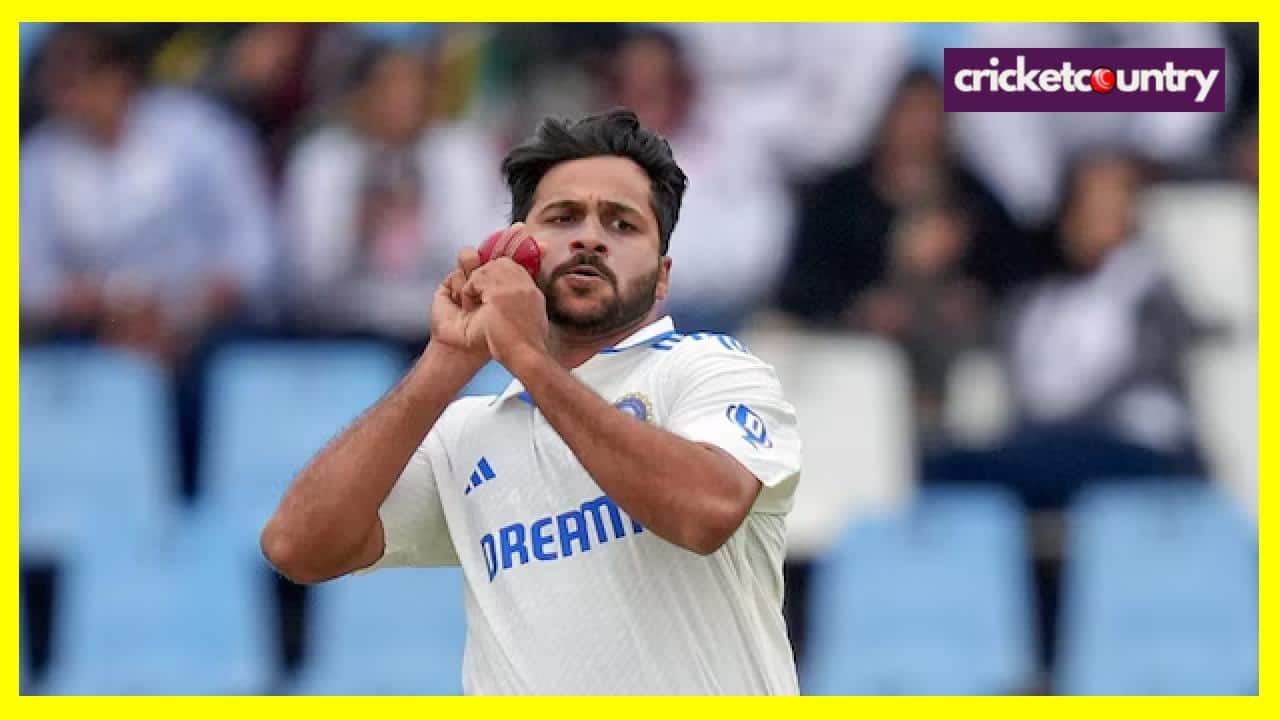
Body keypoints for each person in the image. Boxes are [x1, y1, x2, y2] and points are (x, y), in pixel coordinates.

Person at [261, 108, 803, 695]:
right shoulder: (466, 433)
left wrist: (526, 355)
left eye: (622, 224)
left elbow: (706, 512)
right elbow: (297, 547)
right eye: (563, 217)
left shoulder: (710, 369)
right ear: (515, 251)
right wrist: (446, 360)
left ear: (662, 275)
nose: (590, 237)